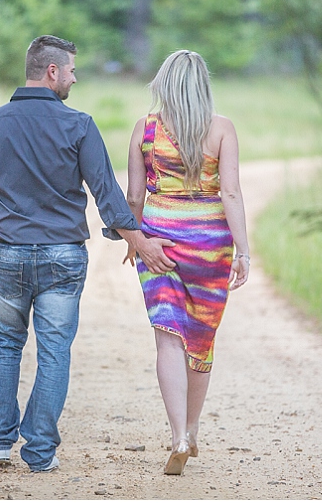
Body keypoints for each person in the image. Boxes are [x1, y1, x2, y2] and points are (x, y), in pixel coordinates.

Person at [0, 35, 175, 473]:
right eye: (71, 70)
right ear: (51, 71)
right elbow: (107, 194)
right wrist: (140, 243)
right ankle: (39, 451)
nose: (75, 78)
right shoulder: (79, 125)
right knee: (54, 350)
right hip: (62, 257)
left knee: (3, 346)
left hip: (12, 255)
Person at [123, 50, 250, 476]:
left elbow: (135, 197)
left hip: (161, 243)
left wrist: (136, 241)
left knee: (167, 336)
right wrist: (243, 250)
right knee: (200, 338)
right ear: (202, 85)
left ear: (164, 83)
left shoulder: (146, 128)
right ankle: (192, 431)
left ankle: (177, 433)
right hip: (211, 247)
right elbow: (230, 193)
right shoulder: (222, 130)